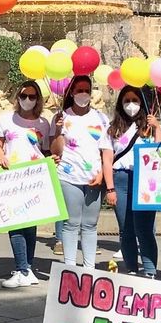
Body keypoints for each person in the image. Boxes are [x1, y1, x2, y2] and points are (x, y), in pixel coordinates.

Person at [0, 80, 51, 288]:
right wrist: (2, 157)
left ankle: (26, 268)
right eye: (23, 96)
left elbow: (46, 151)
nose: (27, 100)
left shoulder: (43, 123)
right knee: (15, 223)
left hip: (34, 179)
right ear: (18, 97)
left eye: (32, 96)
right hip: (12, 177)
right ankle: (22, 268)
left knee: (30, 225)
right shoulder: (7, 119)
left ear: (38, 99)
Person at [101, 85, 161, 278]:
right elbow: (107, 159)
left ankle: (150, 271)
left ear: (141, 103)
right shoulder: (112, 129)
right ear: (121, 103)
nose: (131, 105)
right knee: (126, 229)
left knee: (144, 228)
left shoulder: (147, 126)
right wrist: (110, 188)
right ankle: (131, 269)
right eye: (127, 101)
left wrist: (157, 127)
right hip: (120, 180)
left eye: (135, 101)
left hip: (145, 180)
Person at [50, 75, 111, 270]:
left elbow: (107, 149)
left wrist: (102, 173)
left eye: (87, 90)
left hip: (94, 176)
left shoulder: (101, 117)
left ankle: (89, 268)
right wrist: (58, 131)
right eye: (79, 90)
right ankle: (69, 267)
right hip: (69, 176)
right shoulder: (62, 117)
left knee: (90, 224)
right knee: (71, 223)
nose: (83, 94)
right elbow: (55, 150)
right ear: (72, 93)